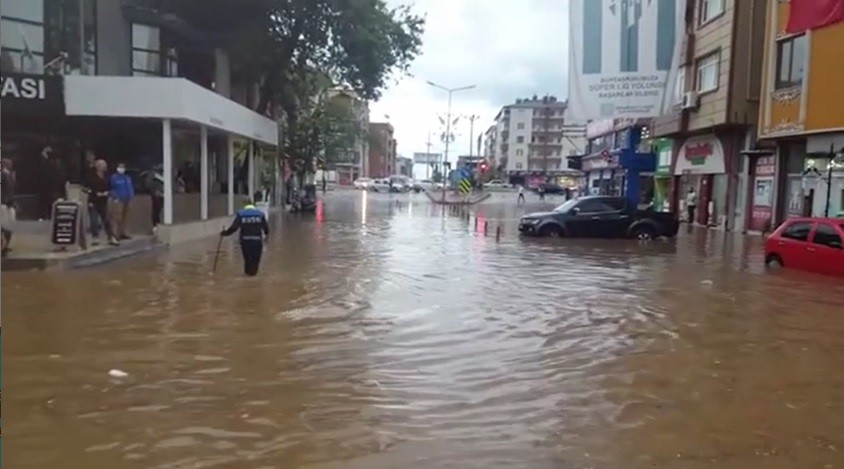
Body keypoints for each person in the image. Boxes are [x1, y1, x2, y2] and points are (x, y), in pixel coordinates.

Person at [220, 199, 270, 276]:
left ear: (245, 205)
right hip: (257, 241)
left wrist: (224, 233)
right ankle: (254, 277)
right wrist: (267, 237)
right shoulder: (260, 214)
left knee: (247, 260)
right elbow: (266, 228)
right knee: (255, 260)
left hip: (245, 241)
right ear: (253, 205)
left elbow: (234, 228)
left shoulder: (241, 214)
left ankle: (247, 276)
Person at [86, 159, 119, 245]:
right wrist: (95, 193)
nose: (104, 167)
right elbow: (87, 188)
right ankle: (95, 237)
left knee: (106, 219)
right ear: (97, 167)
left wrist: (107, 193)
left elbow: (111, 187)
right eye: (102, 165)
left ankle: (111, 237)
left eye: (104, 165)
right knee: (94, 220)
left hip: (103, 201)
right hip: (93, 200)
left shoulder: (107, 177)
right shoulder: (91, 176)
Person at [109, 162, 135, 240]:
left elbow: (130, 188)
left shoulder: (127, 177)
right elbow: (111, 188)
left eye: (123, 167)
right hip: (118, 199)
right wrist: (115, 197)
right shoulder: (114, 177)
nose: (121, 169)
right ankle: (116, 234)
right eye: (120, 167)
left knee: (125, 216)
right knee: (117, 217)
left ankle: (123, 232)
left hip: (127, 199)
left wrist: (131, 197)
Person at [1, 158, 17, 255]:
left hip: (9, 204)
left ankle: (5, 245)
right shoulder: (3, 175)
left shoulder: (10, 175)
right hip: (4, 204)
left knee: (10, 225)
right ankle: (3, 245)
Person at [142, 165, 164, 231]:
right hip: (156, 195)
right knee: (156, 210)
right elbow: (148, 185)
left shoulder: (166, 174)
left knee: (159, 211)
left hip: (163, 195)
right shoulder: (152, 174)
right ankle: (155, 226)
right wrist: (155, 191)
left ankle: (158, 225)